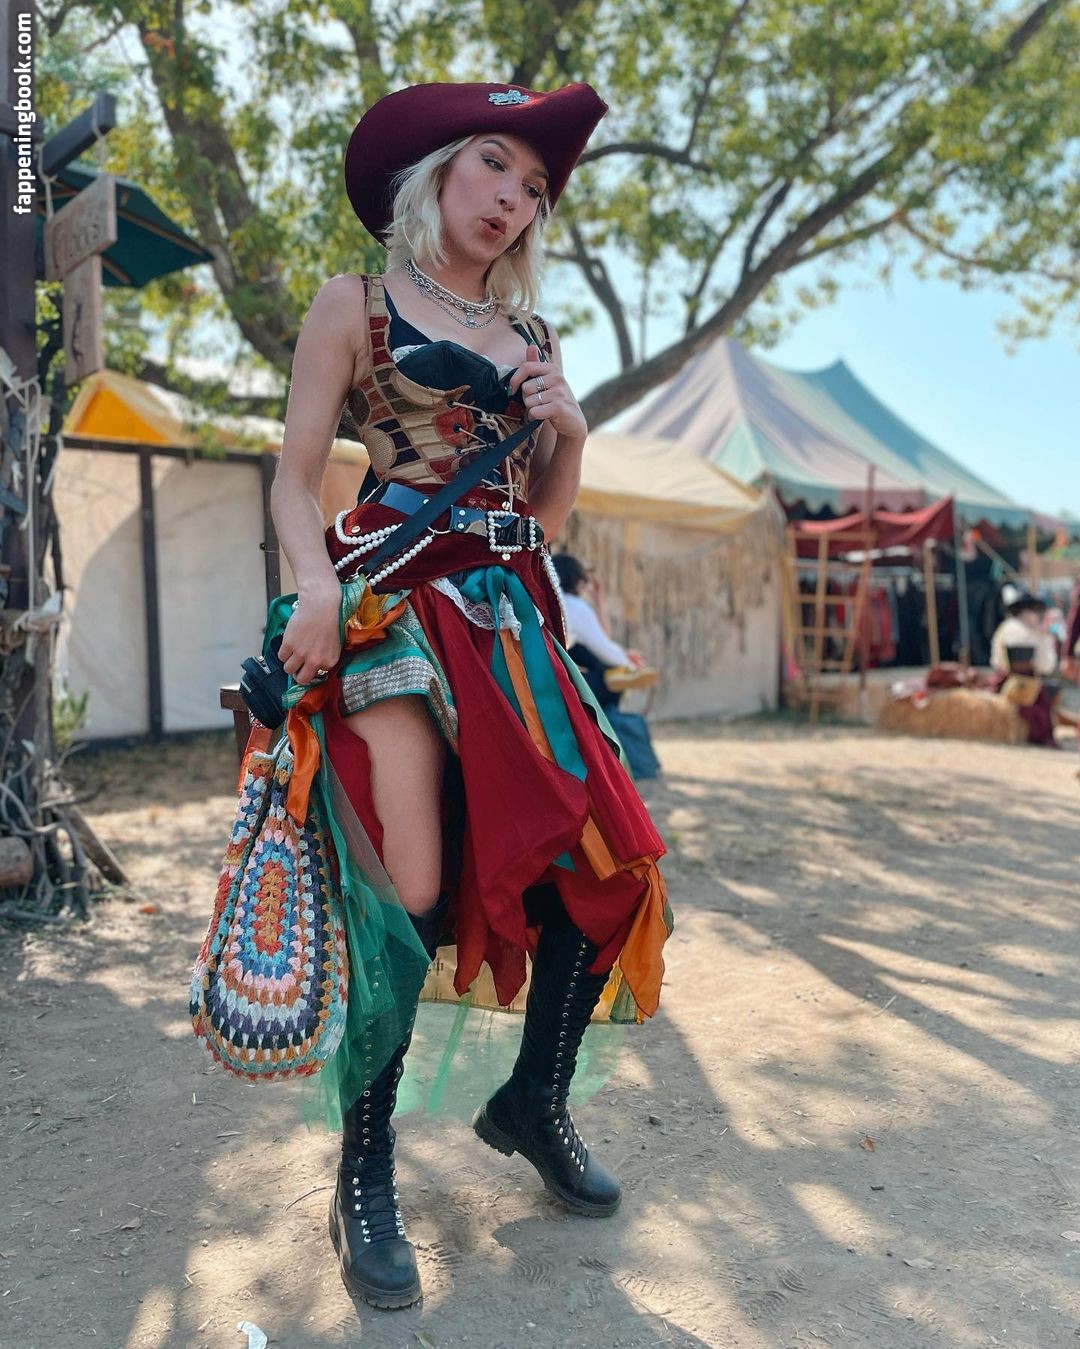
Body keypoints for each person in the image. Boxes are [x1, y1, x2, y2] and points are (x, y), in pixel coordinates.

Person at [270, 81, 671, 1311]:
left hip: (508, 615)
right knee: (412, 887)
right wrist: (312, 585)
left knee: (609, 864)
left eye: (534, 188)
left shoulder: (534, 337)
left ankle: (533, 1101)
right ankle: (365, 1167)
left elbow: (541, 524)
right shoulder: (351, 302)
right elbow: (293, 477)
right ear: (439, 170)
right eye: (494, 164)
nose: (512, 198)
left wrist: (572, 438)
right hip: (392, 604)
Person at [552, 552, 662, 779]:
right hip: (576, 686)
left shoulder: (552, 601)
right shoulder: (575, 606)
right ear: (577, 580)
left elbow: (602, 640)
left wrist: (598, 601)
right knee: (608, 675)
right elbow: (606, 649)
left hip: (553, 678)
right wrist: (627, 663)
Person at [987, 584, 1070, 747]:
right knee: (1046, 695)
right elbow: (1046, 666)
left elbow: (995, 661)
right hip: (1029, 687)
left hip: (1004, 683)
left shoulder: (1003, 629)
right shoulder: (1039, 633)